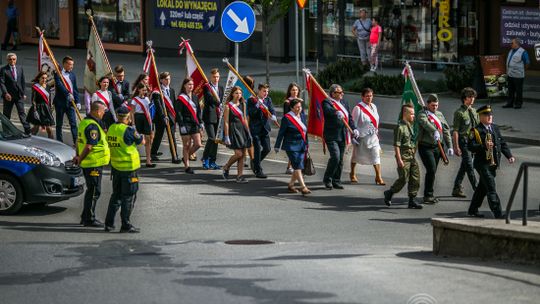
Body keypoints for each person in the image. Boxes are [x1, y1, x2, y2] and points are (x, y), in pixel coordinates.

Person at [467, 105, 515, 218]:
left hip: (493, 164)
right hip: (482, 164)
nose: (490, 117)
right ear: (480, 116)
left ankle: (473, 210)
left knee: (482, 189)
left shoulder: (494, 128)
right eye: (486, 115)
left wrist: (509, 156)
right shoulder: (476, 130)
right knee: (491, 188)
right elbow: (470, 146)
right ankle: (498, 214)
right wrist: (484, 145)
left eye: (490, 114)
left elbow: (501, 143)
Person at [105, 106, 144, 233]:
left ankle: (109, 223)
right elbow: (141, 141)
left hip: (116, 168)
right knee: (129, 197)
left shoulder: (111, 128)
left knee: (116, 196)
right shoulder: (128, 130)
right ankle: (125, 224)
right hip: (129, 168)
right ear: (127, 117)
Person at [73, 100, 110, 227]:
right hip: (93, 164)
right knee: (94, 191)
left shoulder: (84, 122)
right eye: (103, 111)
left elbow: (78, 141)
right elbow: (89, 146)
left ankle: (85, 216)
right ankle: (89, 218)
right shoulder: (93, 126)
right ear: (96, 111)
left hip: (90, 163)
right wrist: (80, 158)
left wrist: (77, 155)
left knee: (92, 190)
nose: (104, 113)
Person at [383, 104, 422, 209]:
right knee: (403, 178)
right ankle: (390, 192)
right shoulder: (399, 127)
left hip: (411, 156)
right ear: (405, 113)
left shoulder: (410, 125)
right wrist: (399, 159)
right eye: (412, 114)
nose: (414, 116)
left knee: (415, 178)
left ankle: (412, 200)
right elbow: (396, 145)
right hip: (404, 156)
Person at [416, 94, 453, 204]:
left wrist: (450, 146)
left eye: (436, 105)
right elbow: (425, 123)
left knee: (433, 171)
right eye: (432, 105)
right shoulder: (422, 114)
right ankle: (428, 195)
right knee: (431, 169)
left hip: (437, 147)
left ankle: (430, 193)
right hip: (425, 146)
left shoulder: (440, 115)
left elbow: (446, 130)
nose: (435, 107)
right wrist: (434, 130)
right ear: (428, 104)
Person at [323, 84, 358, 190]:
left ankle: (336, 180)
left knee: (341, 160)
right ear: (333, 93)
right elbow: (327, 111)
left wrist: (354, 128)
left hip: (342, 134)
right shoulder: (327, 102)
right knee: (335, 157)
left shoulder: (344, 103)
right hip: (331, 135)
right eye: (339, 92)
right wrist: (335, 112)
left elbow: (349, 118)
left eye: (342, 92)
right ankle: (327, 179)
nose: (342, 94)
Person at [274, 98, 311, 196]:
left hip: (301, 144)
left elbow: (305, 131)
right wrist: (277, 145)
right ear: (292, 108)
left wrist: (307, 144)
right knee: (297, 165)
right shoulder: (287, 118)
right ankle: (303, 187)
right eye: (297, 107)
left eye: (300, 107)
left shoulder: (302, 116)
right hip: (291, 145)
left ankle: (291, 185)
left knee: (298, 165)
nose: (299, 109)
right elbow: (281, 133)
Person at [350, 88, 384, 185]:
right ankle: (352, 173)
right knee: (356, 156)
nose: (369, 98)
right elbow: (353, 124)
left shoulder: (374, 106)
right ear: (362, 97)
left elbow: (376, 121)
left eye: (371, 96)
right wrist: (354, 136)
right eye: (367, 96)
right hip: (362, 137)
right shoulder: (358, 108)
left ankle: (378, 177)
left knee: (376, 154)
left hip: (373, 137)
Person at [451, 87, 479, 198]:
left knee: (464, 166)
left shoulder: (474, 111)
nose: (472, 99)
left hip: (472, 142)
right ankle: (477, 190)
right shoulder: (459, 113)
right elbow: (456, 131)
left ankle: (456, 188)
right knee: (469, 165)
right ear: (464, 98)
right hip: (464, 141)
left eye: (473, 97)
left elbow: (477, 127)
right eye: (469, 97)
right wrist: (456, 146)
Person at [247, 83, 277, 178]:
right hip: (255, 128)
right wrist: (257, 105)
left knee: (267, 148)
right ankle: (258, 170)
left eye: (267, 91)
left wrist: (273, 116)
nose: (266, 93)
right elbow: (251, 113)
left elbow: (272, 110)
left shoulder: (268, 99)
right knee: (257, 149)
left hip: (265, 128)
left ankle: (255, 162)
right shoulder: (252, 100)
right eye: (264, 91)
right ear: (259, 90)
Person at [222, 86, 251, 184]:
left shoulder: (243, 104)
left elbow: (244, 118)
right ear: (232, 94)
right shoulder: (228, 106)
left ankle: (240, 176)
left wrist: (248, 131)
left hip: (242, 129)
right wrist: (226, 136)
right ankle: (227, 166)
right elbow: (226, 122)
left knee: (243, 154)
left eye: (240, 93)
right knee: (238, 154)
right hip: (233, 130)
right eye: (236, 93)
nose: (238, 95)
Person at [175, 77, 203, 174]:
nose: (191, 86)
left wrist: (200, 122)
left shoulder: (195, 97)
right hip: (185, 123)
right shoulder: (180, 98)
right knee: (186, 146)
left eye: (192, 84)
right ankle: (187, 166)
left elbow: (198, 111)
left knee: (198, 144)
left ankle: (185, 157)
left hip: (194, 123)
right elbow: (178, 113)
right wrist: (181, 125)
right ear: (184, 86)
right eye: (189, 84)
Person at [150, 71, 180, 163]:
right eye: (166, 79)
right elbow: (158, 106)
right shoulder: (157, 92)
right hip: (160, 118)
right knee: (159, 135)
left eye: (169, 79)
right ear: (161, 80)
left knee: (172, 136)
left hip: (171, 117)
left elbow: (174, 104)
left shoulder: (171, 90)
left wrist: (176, 116)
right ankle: (153, 153)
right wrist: (163, 116)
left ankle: (175, 156)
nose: (168, 81)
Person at [1, 52, 30, 134]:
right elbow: (2, 83)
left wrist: (24, 93)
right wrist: (6, 93)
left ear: (16, 60)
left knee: (22, 114)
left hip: (19, 95)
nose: (12, 61)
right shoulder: (3, 70)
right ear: (7, 60)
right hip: (8, 97)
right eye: (10, 59)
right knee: (6, 115)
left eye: (14, 59)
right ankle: (6, 132)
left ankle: (27, 131)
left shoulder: (20, 68)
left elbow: (23, 81)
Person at [54, 56, 81, 144]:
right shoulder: (58, 73)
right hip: (60, 103)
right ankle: (59, 142)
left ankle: (76, 142)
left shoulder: (72, 75)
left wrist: (78, 101)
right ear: (65, 64)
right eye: (70, 64)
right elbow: (59, 85)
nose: (71, 66)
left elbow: (75, 89)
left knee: (73, 124)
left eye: (72, 64)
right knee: (59, 124)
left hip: (70, 103)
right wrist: (67, 93)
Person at [201, 68, 224, 170]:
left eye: (217, 77)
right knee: (211, 138)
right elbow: (210, 99)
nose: (216, 78)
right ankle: (205, 158)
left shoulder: (221, 88)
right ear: (211, 77)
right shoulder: (207, 87)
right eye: (214, 77)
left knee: (216, 140)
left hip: (218, 116)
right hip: (209, 116)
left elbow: (224, 98)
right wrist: (219, 103)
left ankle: (212, 160)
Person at [130, 83, 155, 168]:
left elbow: (150, 111)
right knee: (136, 139)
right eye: (143, 90)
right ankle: (134, 158)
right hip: (138, 118)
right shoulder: (135, 99)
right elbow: (132, 113)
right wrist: (133, 124)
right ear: (138, 90)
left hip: (146, 119)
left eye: (145, 90)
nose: (144, 92)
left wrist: (151, 122)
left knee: (148, 139)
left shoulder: (147, 99)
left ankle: (148, 160)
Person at [503, 38, 530, 109]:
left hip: (518, 75)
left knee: (518, 90)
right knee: (510, 90)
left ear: (516, 44)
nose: (510, 44)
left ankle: (518, 104)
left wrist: (523, 70)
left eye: (512, 43)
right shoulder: (511, 51)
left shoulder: (523, 52)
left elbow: (527, 62)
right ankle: (510, 103)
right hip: (510, 74)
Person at [26, 71, 54, 138]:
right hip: (38, 108)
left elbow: (49, 99)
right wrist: (35, 110)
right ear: (39, 78)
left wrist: (50, 108)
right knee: (35, 128)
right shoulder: (35, 87)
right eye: (42, 78)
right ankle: (27, 138)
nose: (44, 80)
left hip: (46, 109)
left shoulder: (47, 86)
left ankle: (52, 144)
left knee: (49, 129)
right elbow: (33, 100)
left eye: (45, 78)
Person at [283, 82, 302, 174]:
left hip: (299, 127)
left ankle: (296, 166)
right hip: (291, 128)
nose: (295, 92)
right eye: (293, 90)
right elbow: (286, 116)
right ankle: (290, 166)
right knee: (292, 148)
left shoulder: (299, 101)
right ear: (289, 91)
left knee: (298, 148)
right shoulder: (287, 102)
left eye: (296, 90)